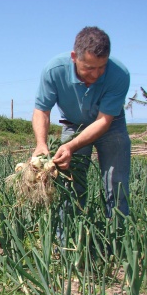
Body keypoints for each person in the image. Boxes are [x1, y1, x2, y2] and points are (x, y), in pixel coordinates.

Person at [32, 26, 131, 225]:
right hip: (73, 124)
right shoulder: (54, 71)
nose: (95, 74)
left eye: (101, 67)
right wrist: (41, 143)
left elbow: (104, 121)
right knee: (69, 183)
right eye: (89, 68)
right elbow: (42, 110)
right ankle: (67, 240)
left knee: (116, 183)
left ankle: (118, 240)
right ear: (74, 57)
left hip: (110, 125)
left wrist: (70, 146)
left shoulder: (119, 75)